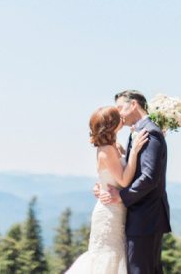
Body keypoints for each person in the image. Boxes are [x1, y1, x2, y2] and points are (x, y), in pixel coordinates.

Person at [66, 105, 149, 273]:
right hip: (109, 214)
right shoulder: (107, 150)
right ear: (112, 125)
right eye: (117, 116)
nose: (121, 117)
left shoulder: (114, 147)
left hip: (116, 208)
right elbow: (124, 181)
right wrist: (134, 153)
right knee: (108, 260)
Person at [99, 90, 172, 274]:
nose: (118, 114)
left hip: (146, 218)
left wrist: (121, 197)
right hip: (142, 218)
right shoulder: (139, 132)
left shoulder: (150, 133)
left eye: (120, 108)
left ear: (133, 105)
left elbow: (148, 178)